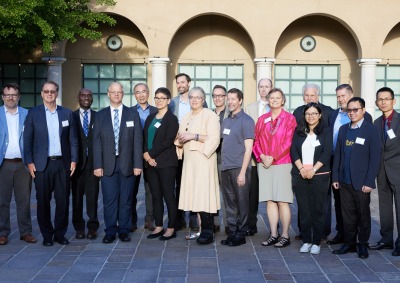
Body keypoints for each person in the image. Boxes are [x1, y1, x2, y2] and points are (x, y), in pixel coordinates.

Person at [24, 80, 78, 247]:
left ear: (57, 93)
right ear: (42, 94)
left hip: (62, 164)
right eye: (46, 91)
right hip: (42, 165)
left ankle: (59, 234)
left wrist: (74, 160)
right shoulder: (33, 113)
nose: (49, 94)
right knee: (43, 201)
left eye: (52, 91)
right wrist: (29, 162)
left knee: (63, 201)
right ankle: (47, 235)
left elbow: (73, 139)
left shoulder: (67, 114)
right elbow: (28, 140)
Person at [93, 82, 143, 244]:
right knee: (109, 200)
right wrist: (97, 165)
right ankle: (110, 231)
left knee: (126, 200)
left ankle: (123, 230)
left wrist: (137, 164)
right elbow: (96, 143)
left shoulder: (132, 114)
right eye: (113, 92)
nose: (116, 94)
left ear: (123, 94)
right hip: (107, 165)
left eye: (119, 92)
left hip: (127, 164)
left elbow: (137, 141)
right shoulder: (100, 115)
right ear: (108, 94)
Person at [332, 97, 380, 259]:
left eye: (355, 110)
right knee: (347, 215)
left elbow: (375, 158)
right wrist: (336, 177)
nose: (352, 113)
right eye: (349, 110)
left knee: (363, 215)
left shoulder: (370, 129)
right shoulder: (344, 129)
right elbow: (338, 154)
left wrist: (369, 181)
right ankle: (350, 243)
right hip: (344, 181)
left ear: (363, 110)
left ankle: (362, 244)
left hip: (361, 182)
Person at [327, 84, 372, 245]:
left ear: (351, 95)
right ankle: (343, 234)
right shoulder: (334, 115)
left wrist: (368, 178)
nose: (340, 99)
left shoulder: (365, 119)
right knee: (340, 203)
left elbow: (370, 151)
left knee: (360, 207)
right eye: (338, 96)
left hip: (358, 169)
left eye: (343, 96)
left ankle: (361, 240)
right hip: (337, 162)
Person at [175, 86, 220, 244]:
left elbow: (214, 138)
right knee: (195, 195)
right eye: (191, 97)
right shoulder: (187, 116)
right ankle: (200, 229)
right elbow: (180, 136)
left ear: (203, 99)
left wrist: (193, 136)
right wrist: (179, 142)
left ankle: (208, 231)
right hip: (190, 161)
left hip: (203, 159)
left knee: (204, 195)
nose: (194, 100)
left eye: (198, 97)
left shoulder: (210, 115)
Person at [253, 88, 296, 248]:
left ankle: (285, 235)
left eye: (278, 98)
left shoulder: (290, 118)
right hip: (264, 164)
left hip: (282, 163)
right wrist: (262, 156)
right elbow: (256, 140)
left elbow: (289, 141)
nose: (275, 100)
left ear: (283, 100)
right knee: (270, 201)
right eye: (272, 98)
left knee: (282, 200)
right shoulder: (262, 119)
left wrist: (273, 156)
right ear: (268, 100)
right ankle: (273, 233)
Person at [292, 83, 334, 241]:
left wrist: (317, 167)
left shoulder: (328, 111)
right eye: (307, 95)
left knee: (321, 203)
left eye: (312, 95)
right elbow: (295, 141)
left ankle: (322, 232)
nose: (309, 98)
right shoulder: (298, 111)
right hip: (301, 165)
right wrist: (301, 167)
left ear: (318, 96)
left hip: (321, 166)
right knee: (303, 202)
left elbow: (327, 144)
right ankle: (304, 232)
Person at [0, 83, 36, 245]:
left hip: (23, 164)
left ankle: (26, 232)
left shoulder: (27, 114)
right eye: (7, 95)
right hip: (3, 165)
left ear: (19, 97)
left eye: (13, 95)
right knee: (2, 201)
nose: (10, 98)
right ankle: (3, 233)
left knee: (24, 200)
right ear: (2, 97)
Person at [220, 88, 254, 247]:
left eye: (234, 99)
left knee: (242, 203)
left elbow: (249, 149)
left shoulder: (247, 121)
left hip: (239, 168)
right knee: (229, 203)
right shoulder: (226, 121)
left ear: (240, 100)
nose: (230, 102)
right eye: (229, 99)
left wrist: (242, 173)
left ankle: (241, 233)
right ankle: (232, 231)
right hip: (225, 167)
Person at [144, 87, 179, 241]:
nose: (159, 100)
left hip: (166, 163)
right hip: (150, 164)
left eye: (162, 98)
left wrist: (150, 154)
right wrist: (146, 155)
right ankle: (159, 226)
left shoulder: (172, 119)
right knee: (155, 196)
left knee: (168, 196)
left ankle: (171, 227)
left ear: (168, 101)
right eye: (156, 97)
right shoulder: (150, 118)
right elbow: (144, 138)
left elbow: (167, 141)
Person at [370, 87, 400, 256]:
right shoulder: (376, 123)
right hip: (382, 173)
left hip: (398, 171)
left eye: (386, 99)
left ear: (393, 101)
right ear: (376, 103)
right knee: (385, 208)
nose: (383, 102)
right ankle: (386, 239)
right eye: (380, 99)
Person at [245, 78, 272, 236]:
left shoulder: (279, 107)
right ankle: (251, 224)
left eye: (267, 86)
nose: (264, 90)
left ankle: (274, 226)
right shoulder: (250, 108)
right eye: (261, 87)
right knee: (252, 193)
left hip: (272, 157)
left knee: (272, 194)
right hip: (255, 157)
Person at [71, 88, 100, 240]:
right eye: (83, 95)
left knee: (93, 198)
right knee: (76, 199)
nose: (86, 98)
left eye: (89, 95)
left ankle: (92, 227)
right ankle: (79, 228)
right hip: (76, 166)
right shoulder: (71, 116)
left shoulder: (98, 116)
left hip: (93, 165)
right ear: (78, 97)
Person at [131, 83, 156, 232]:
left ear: (148, 93)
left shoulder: (156, 111)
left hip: (151, 155)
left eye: (144, 92)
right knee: (131, 190)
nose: (141, 95)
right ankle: (132, 220)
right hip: (133, 156)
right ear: (135, 95)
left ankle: (149, 220)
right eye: (138, 92)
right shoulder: (129, 111)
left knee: (150, 189)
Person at [212, 84, 229, 234]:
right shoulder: (208, 114)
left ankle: (230, 224)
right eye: (215, 96)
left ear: (225, 97)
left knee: (227, 192)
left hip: (225, 158)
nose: (217, 98)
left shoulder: (230, 114)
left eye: (220, 95)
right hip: (210, 157)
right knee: (212, 191)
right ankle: (214, 223)